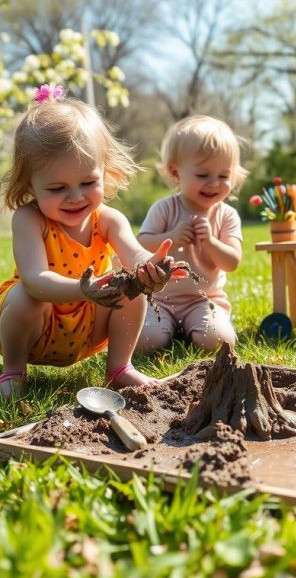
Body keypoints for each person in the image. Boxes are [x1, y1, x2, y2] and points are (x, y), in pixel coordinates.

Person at [0, 85, 188, 399]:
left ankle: (119, 368)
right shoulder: (29, 219)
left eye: (88, 183)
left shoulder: (110, 219)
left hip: (88, 327)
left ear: (104, 171)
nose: (75, 197)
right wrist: (83, 289)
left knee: (132, 286)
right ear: (29, 183)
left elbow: (135, 255)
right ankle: (13, 372)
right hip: (38, 328)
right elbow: (34, 280)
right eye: (58, 188)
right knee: (22, 297)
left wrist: (152, 267)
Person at [136, 114, 245, 354]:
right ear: (176, 173)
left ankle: (192, 327)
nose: (214, 183)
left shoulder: (226, 215)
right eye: (203, 175)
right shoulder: (165, 208)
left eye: (224, 176)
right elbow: (140, 245)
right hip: (161, 299)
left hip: (205, 299)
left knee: (219, 343)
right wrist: (172, 236)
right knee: (146, 342)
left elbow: (232, 262)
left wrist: (211, 242)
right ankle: (167, 327)